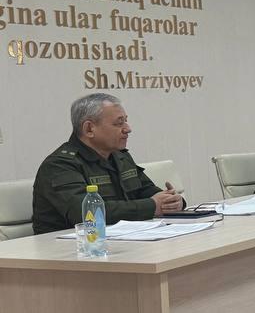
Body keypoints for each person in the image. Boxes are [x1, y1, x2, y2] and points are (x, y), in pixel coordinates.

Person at [32, 92, 184, 234]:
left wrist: (172, 201)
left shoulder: (120, 156)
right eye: (119, 123)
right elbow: (86, 214)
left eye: (126, 121)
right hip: (71, 247)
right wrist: (152, 206)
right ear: (89, 128)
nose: (128, 129)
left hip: (120, 240)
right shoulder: (60, 166)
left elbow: (146, 190)